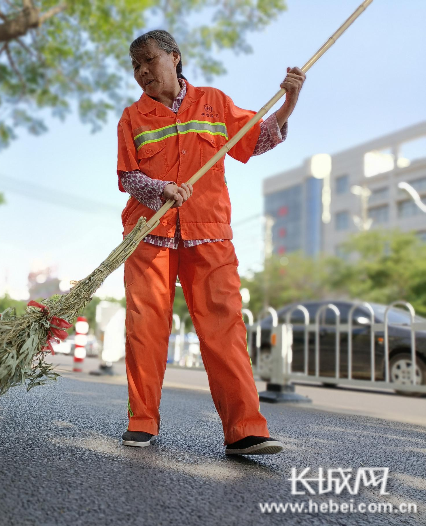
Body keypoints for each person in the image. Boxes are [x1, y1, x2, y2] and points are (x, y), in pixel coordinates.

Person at [116, 30, 305, 455]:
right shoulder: (132, 118)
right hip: (150, 233)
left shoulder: (214, 103)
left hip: (210, 232)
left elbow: (253, 142)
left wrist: (289, 103)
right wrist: (160, 189)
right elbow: (128, 176)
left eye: (148, 60)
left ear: (175, 58)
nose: (142, 71)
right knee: (145, 328)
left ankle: (245, 430)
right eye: (135, 67)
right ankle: (142, 420)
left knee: (225, 328)